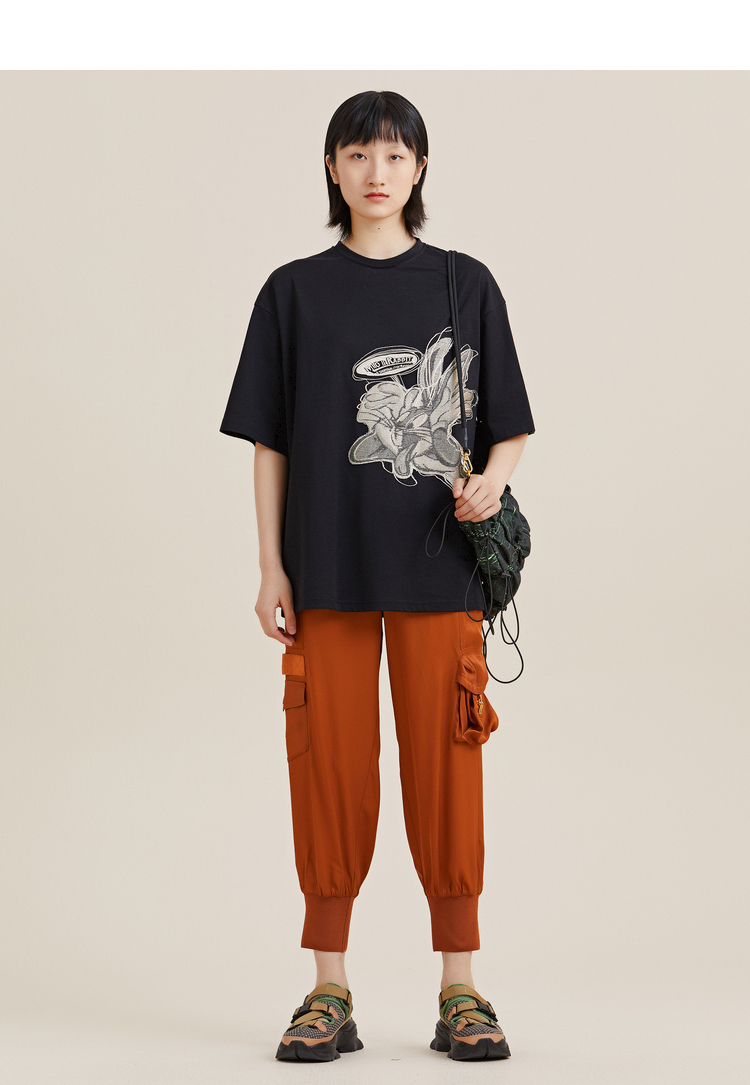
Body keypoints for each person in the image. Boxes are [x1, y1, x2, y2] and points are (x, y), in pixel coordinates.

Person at [219, 89, 535, 1063]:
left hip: (441, 569)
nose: (376, 172)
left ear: (421, 168)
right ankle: (328, 986)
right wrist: (271, 564)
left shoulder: (465, 283)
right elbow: (270, 442)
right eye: (357, 154)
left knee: (448, 768)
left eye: (395, 155)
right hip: (328, 568)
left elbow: (510, 425)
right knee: (329, 767)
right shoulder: (293, 292)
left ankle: (460, 986)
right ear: (332, 168)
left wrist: (491, 482)